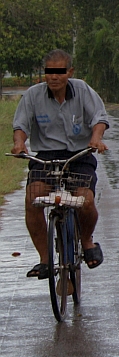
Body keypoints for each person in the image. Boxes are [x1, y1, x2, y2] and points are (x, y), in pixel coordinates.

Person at [11, 49, 109, 279]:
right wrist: (19, 144)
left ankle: (86, 241)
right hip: (46, 156)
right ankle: (45, 259)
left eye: (59, 72)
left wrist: (96, 139)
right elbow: (21, 126)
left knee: (85, 201)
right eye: (49, 72)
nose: (54, 77)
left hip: (79, 155)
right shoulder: (33, 96)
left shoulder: (83, 90)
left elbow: (99, 118)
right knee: (33, 198)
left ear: (69, 72)